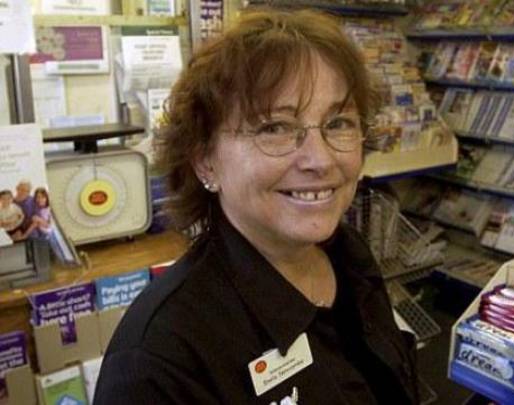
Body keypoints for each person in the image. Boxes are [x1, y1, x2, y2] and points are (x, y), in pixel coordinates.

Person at [94, 9, 418, 405]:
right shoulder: (160, 362)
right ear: (205, 161)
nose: (320, 160)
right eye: (275, 128)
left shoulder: (350, 257)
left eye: (338, 123)